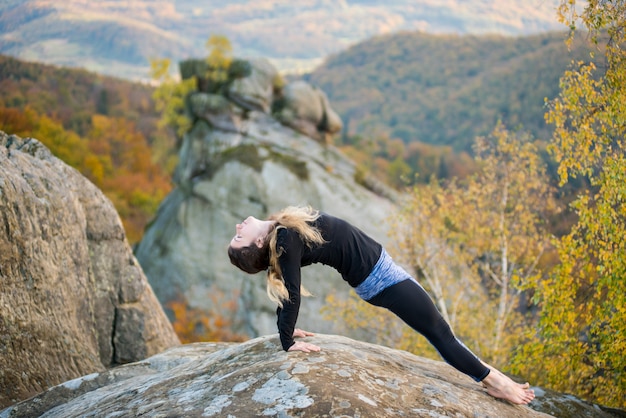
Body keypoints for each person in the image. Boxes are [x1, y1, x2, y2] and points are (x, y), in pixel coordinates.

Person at [227, 206, 535, 405]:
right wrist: (287, 342)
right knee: (440, 332)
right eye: (238, 237)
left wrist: (289, 331)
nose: (238, 227)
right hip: (381, 280)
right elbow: (291, 291)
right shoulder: (283, 239)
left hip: (383, 272)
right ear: (256, 245)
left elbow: (283, 286)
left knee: (440, 330)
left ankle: (490, 376)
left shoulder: (283, 231)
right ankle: (496, 383)